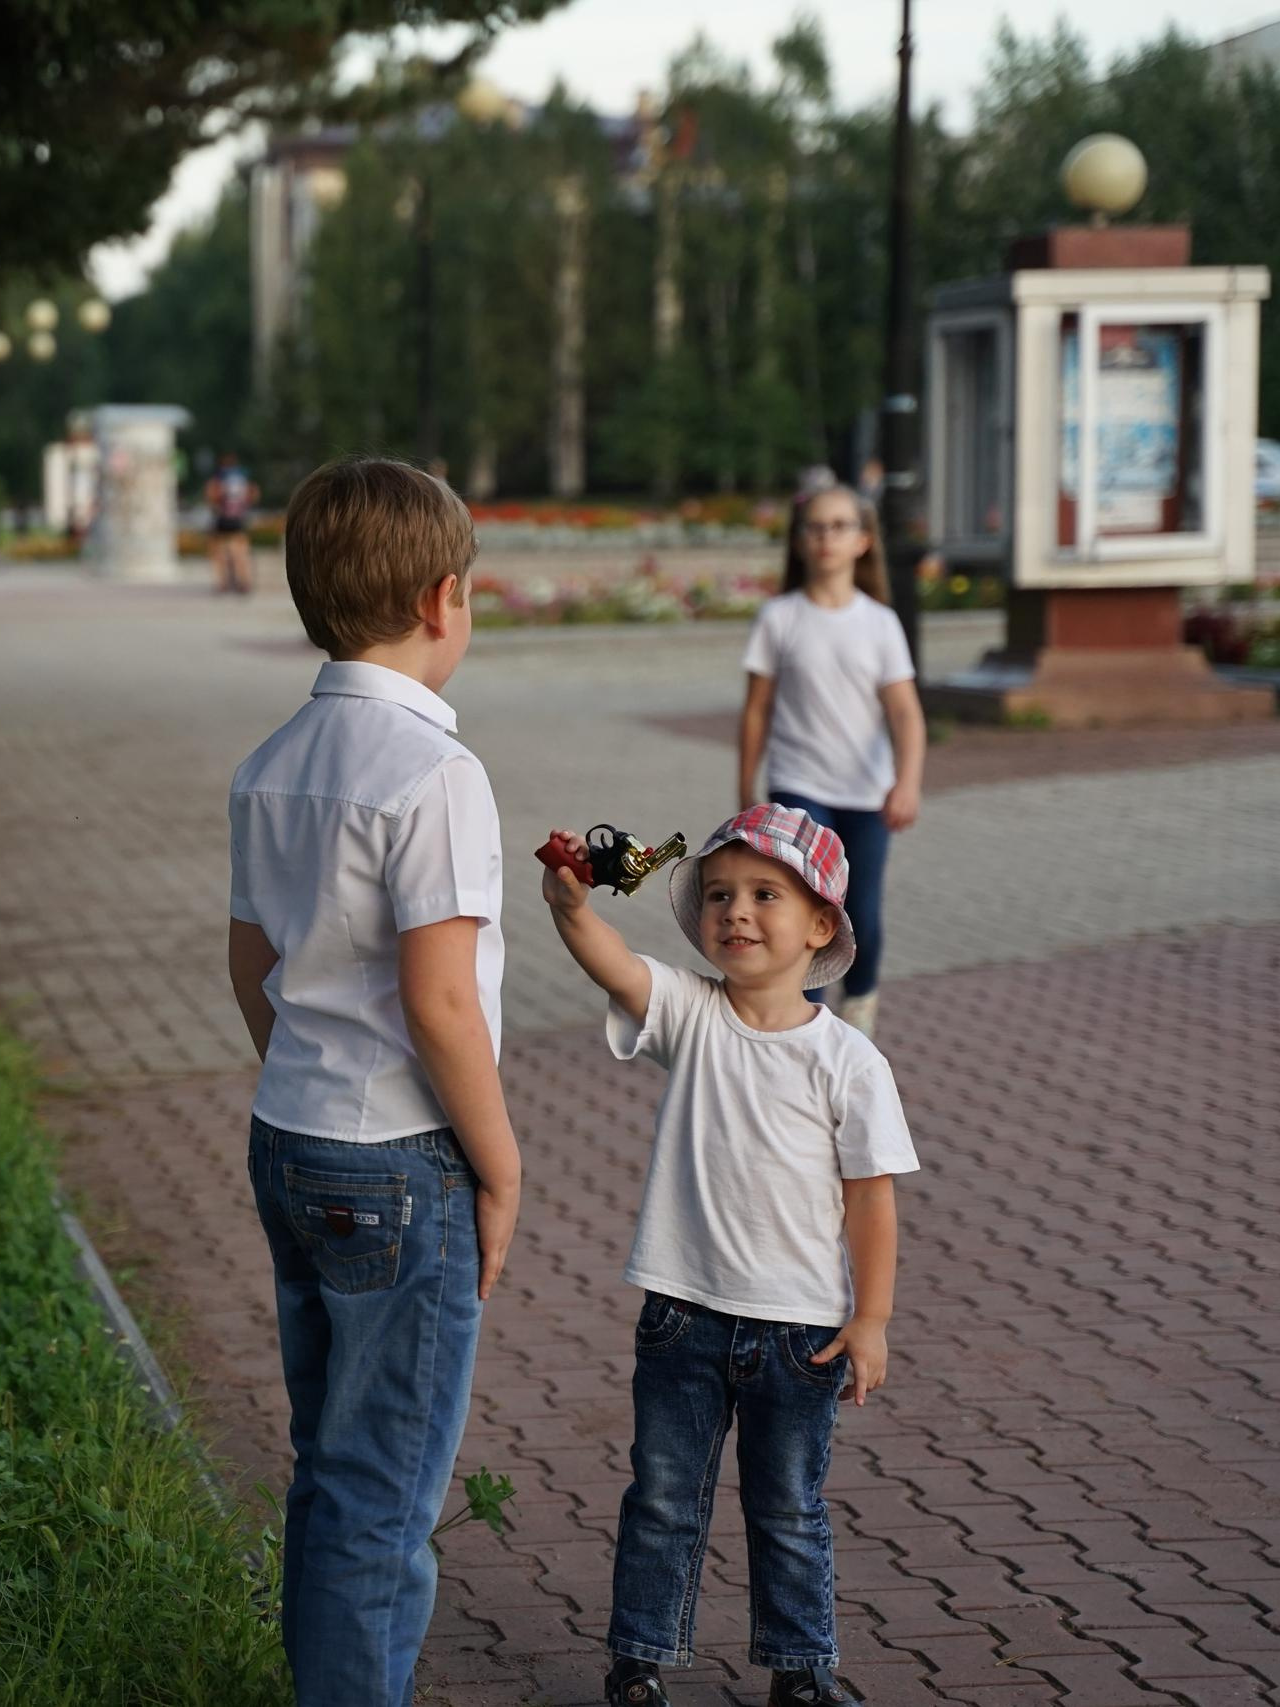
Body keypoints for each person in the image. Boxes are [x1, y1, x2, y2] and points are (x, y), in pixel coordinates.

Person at [227, 456, 519, 1707]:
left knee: (329, 1462)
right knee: (385, 1490)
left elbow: (253, 966)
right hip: (401, 1158)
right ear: (444, 598)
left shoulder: (273, 759)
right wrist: (499, 1168)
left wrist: (303, 1081)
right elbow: (440, 1002)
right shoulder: (435, 774)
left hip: (289, 1134)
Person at [543, 803, 918, 1707]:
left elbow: (872, 1198)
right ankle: (638, 1659)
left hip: (803, 1331)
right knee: (664, 1497)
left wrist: (871, 1318)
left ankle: (800, 1670)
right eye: (719, 895)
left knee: (787, 1508)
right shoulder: (688, 1011)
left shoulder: (849, 1063)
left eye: (764, 895)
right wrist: (568, 909)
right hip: (684, 1314)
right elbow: (618, 966)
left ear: (821, 923)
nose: (736, 912)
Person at [737, 485, 926, 1038]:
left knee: (859, 914)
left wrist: (907, 783)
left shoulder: (879, 623)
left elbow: (906, 715)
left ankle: (861, 997)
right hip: (800, 786)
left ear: (864, 541)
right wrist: (746, 788)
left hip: (868, 793)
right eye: (816, 527)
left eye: (840, 526)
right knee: (805, 909)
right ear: (799, 541)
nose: (827, 537)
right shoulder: (778, 617)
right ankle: (807, 1020)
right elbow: (756, 712)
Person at [205, 451, 259, 595]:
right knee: (241, 554)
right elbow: (254, 493)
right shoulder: (243, 478)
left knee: (220, 553)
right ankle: (244, 582)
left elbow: (211, 496)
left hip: (222, 520)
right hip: (239, 520)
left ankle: (223, 583)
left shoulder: (218, 477)